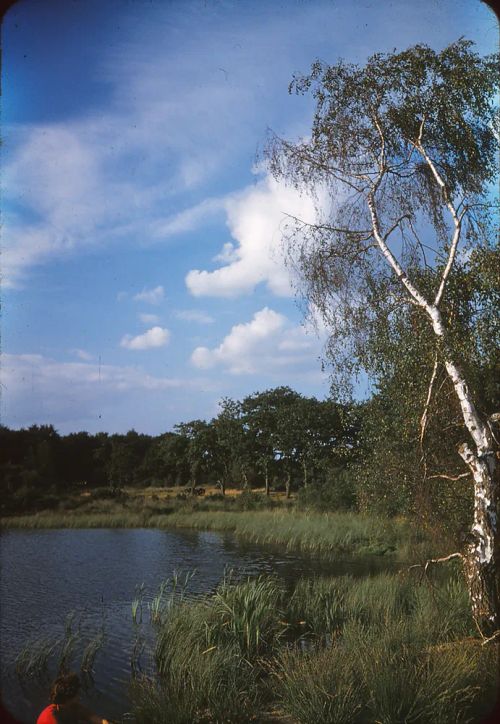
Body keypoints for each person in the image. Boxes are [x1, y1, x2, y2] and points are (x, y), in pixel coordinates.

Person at [36, 673, 109, 724]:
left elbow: (91, 716)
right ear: (68, 699)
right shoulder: (49, 720)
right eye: (77, 695)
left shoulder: (72, 707)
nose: (79, 697)